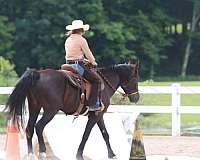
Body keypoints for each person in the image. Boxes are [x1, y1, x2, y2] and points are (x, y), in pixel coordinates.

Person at [64, 20, 102, 111]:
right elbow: (88, 53)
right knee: (97, 80)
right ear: (81, 30)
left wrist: (84, 60)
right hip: (78, 66)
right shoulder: (81, 40)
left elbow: (71, 54)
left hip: (67, 64)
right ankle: (93, 104)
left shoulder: (68, 39)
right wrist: (93, 62)